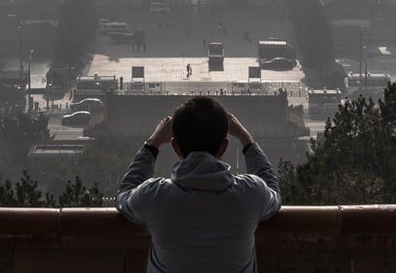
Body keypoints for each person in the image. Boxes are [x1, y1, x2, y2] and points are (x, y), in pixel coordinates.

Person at [116, 96, 281, 273]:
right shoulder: (251, 193)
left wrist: (152, 144)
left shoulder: (154, 195)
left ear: (175, 147)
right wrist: (246, 139)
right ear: (224, 147)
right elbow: (273, 190)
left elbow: (124, 194)